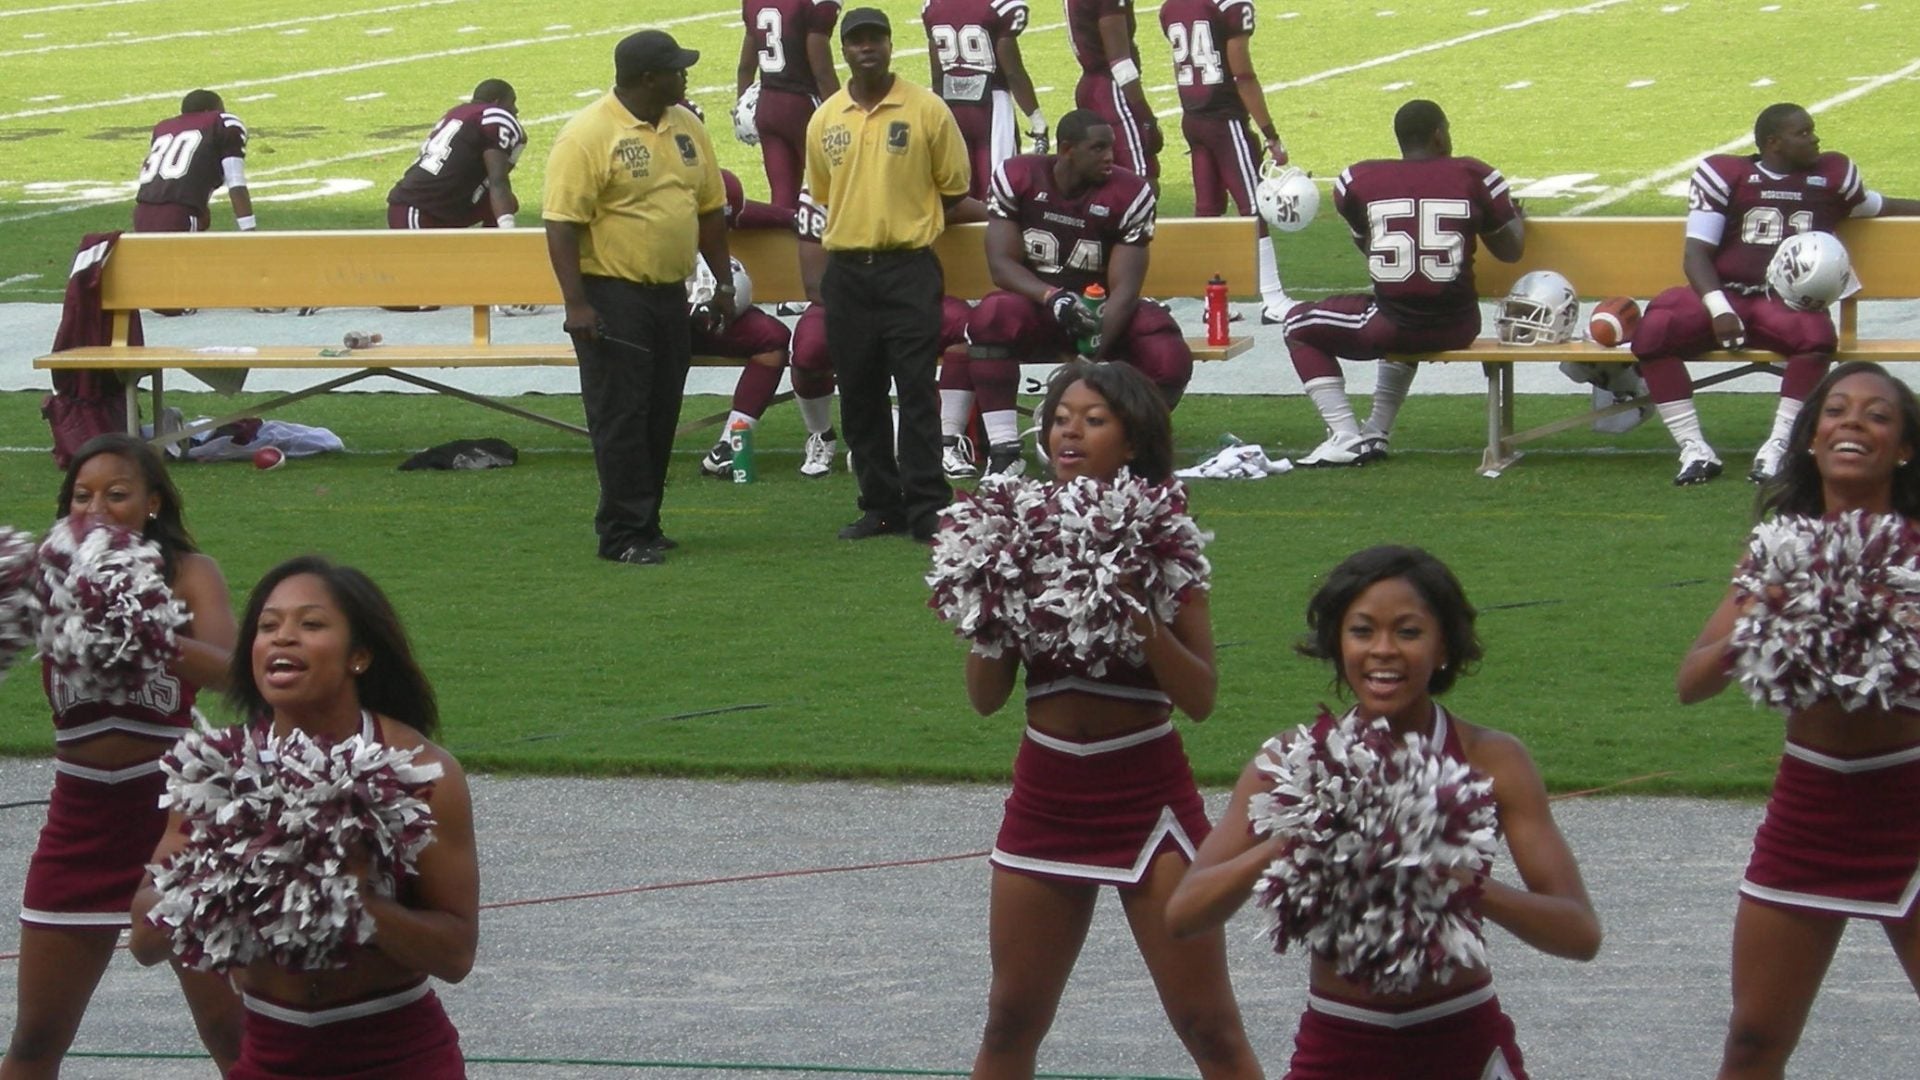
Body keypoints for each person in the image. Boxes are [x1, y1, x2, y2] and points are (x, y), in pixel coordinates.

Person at [1166, 544, 1601, 1079]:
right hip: (1338, 1044)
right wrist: (1290, 844)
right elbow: (1185, 914)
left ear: (1444, 646)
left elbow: (1580, 934)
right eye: (1362, 630)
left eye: (1409, 632)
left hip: (1463, 1042)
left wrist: (1461, 881)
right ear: (1337, 643)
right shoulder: (1287, 763)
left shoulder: (1495, 759)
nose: (1384, 650)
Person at [963, 360, 1262, 1078]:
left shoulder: (1165, 534)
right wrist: (986, 602)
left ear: (1131, 442)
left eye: (1093, 419)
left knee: (1209, 1027)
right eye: (1062, 416)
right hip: (1048, 796)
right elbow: (985, 696)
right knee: (1010, 1020)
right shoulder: (1010, 529)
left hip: (1147, 800)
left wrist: (1141, 617)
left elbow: (1200, 698)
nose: (1070, 430)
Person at [130, 557, 477, 1079]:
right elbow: (143, 941)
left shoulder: (422, 772)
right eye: (268, 626)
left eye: (310, 624)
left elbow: (455, 955)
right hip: (271, 1057)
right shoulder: (214, 776)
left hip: (400, 1060)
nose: (282, 638)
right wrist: (214, 882)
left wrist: (357, 903)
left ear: (358, 655)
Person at [1675, 361, 1920, 1077]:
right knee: (1753, 1041)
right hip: (1810, 813)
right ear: (1811, 439)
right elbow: (1692, 683)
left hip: (1911, 806)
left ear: (1903, 449)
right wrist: (1767, 616)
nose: (1853, 422)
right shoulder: (1776, 552)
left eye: (1878, 415)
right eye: (1836, 410)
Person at [3, 434, 242, 1078]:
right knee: (34, 1040)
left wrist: (147, 631)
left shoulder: (190, 572)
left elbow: (231, 671)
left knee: (233, 1034)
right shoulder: (48, 577)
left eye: (118, 494)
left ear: (153, 503)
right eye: (83, 496)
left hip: (177, 820)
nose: (98, 508)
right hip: (78, 824)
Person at [1630, 104, 1920, 486]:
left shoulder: (1832, 176)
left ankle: (1779, 446)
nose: (1815, 138)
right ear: (1773, 143)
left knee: (1816, 339)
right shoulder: (1727, 174)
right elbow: (1696, 253)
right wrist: (1718, 309)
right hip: (1727, 292)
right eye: (1803, 132)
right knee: (1654, 331)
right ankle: (1694, 448)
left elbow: (1875, 206)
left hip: (1783, 301)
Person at [543, 30, 732, 566]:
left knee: (659, 411)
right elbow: (561, 225)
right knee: (621, 415)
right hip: (612, 293)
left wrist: (721, 282)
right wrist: (576, 304)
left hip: (669, 293)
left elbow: (710, 210)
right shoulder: (588, 135)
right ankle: (622, 533)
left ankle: (645, 523)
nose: (685, 74)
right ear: (648, 78)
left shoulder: (687, 126)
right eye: (676, 69)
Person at [803, 7, 970, 541]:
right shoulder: (826, 118)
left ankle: (926, 506)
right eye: (856, 42)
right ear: (844, 50)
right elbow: (824, 194)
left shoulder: (926, 110)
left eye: (875, 39)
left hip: (908, 268)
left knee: (916, 389)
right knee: (858, 392)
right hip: (848, 271)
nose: (866, 49)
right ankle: (879, 505)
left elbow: (954, 185)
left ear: (890, 45)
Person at [1282, 99, 1523, 467]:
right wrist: (1515, 216)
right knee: (1402, 306)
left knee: (1298, 323)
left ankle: (1345, 435)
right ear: (1440, 136)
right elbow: (1511, 250)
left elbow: (1369, 247)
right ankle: (1376, 431)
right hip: (1459, 325)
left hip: (1394, 325)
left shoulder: (1359, 180)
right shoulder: (1473, 175)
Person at [957, 109, 1191, 479]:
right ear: (1067, 149)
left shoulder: (1129, 193)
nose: (1109, 158)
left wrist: (1093, 349)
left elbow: (1126, 289)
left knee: (1165, 347)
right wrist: (1054, 297)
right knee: (992, 315)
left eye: (1111, 148)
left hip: (1100, 312)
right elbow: (1002, 266)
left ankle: (1131, 445)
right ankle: (1004, 452)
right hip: (1039, 309)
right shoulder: (1019, 176)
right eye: (1098, 148)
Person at [1157, 0, 1294, 323]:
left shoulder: (1171, 7)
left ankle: (1212, 300)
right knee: (1254, 206)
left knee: (1208, 211)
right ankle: (1273, 299)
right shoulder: (1231, 7)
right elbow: (1242, 76)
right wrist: (1270, 134)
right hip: (1224, 119)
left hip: (1192, 117)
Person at [694, 172, 835, 479]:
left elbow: (743, 212)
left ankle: (729, 445)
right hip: (655, 309)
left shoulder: (719, 187)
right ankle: (637, 449)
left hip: (713, 311)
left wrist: (794, 217)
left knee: (771, 338)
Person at [921, 0, 1048, 200]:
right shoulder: (1000, 6)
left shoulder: (932, 6)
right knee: (998, 187)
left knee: (959, 189)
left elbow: (937, 74)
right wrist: (1036, 119)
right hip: (991, 106)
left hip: (952, 106)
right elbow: (1013, 72)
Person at [735, 0, 843, 213]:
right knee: (831, 192)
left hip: (767, 105)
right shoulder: (815, 4)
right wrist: (842, 113)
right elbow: (822, 71)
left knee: (782, 199)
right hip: (802, 107)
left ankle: (784, 246)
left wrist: (742, 102)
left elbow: (745, 67)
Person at [387, 79, 526, 231]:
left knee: (506, 203)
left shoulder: (458, 112)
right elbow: (497, 180)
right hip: (420, 207)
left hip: (437, 204)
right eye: (512, 102)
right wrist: (508, 228)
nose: (515, 110)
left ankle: (491, 250)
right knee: (502, 202)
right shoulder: (495, 115)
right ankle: (500, 244)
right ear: (497, 102)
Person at [133, 89, 254, 235]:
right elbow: (235, 182)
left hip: (142, 214)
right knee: (185, 258)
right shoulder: (222, 122)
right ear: (209, 111)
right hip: (178, 213)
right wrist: (249, 229)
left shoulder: (164, 127)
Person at [1065, 0, 1159, 184]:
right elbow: (1120, 63)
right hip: (1113, 90)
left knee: (1100, 180)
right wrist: (1147, 118)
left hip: (1091, 86)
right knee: (1140, 181)